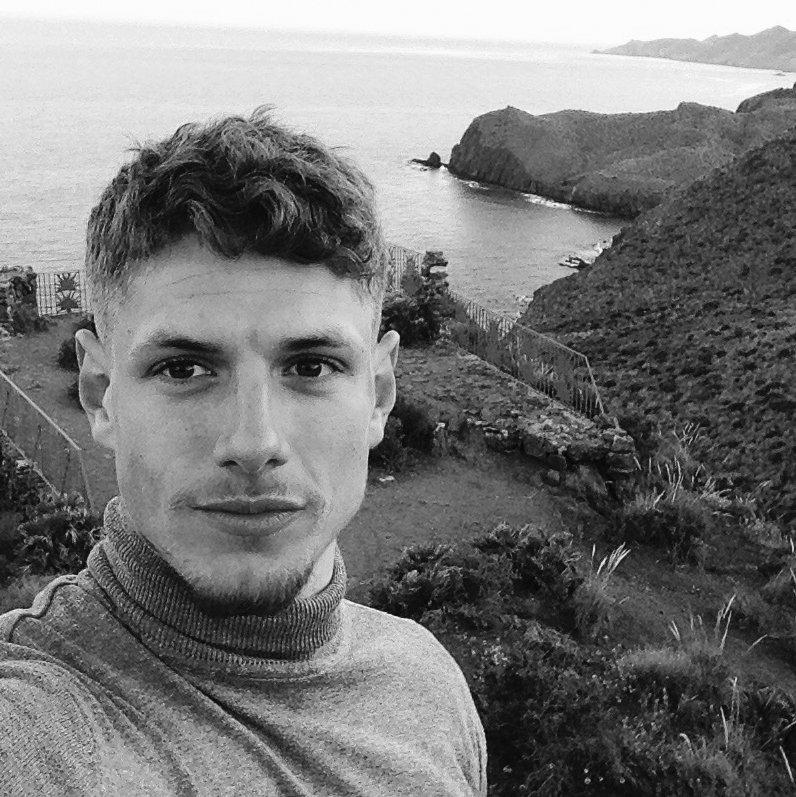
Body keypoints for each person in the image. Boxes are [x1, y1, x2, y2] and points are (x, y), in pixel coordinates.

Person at [0, 110, 487, 795]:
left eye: (311, 367)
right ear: (101, 393)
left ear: (378, 393)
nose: (255, 442)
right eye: (184, 369)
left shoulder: (431, 688)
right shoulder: (37, 726)